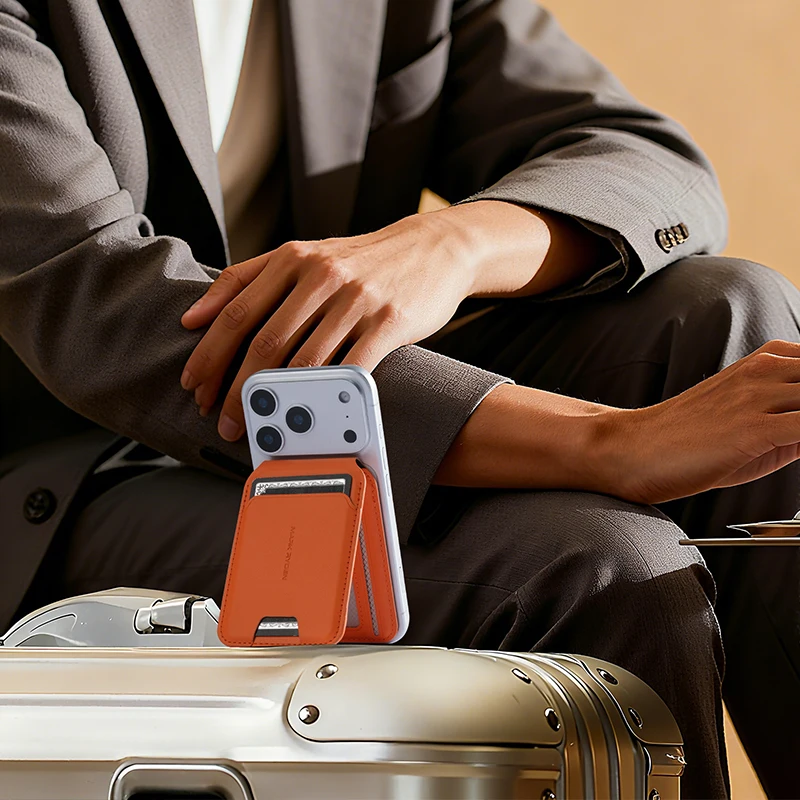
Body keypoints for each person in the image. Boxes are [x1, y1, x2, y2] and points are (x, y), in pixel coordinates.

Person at [1, 0, 798, 796]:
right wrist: (608, 442)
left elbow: (645, 156)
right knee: (601, 565)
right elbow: (101, 309)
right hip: (80, 473)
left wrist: (453, 243)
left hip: (347, 397)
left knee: (732, 317)